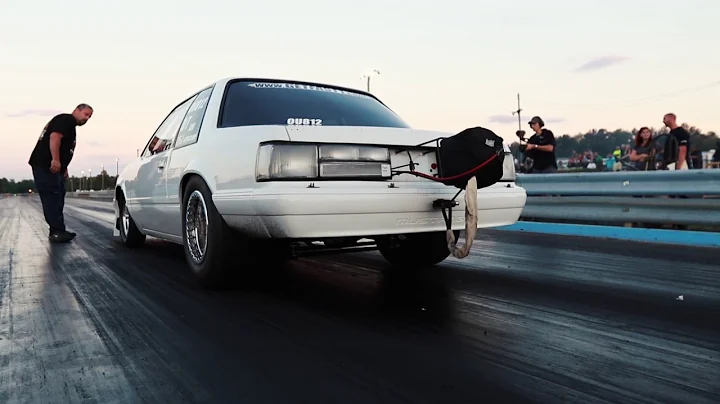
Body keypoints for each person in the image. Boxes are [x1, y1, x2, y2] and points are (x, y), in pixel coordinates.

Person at [28, 104, 94, 242]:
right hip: (46, 164)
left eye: (89, 116)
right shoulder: (66, 120)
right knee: (52, 196)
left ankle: (57, 230)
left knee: (58, 196)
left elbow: (65, 148)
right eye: (85, 114)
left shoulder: (69, 125)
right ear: (77, 110)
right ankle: (57, 232)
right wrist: (55, 160)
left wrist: (64, 167)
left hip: (54, 166)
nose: (87, 118)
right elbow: (55, 137)